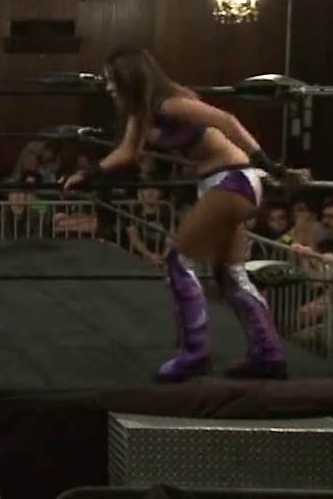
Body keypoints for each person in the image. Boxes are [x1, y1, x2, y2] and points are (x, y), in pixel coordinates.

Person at [62, 49, 304, 382]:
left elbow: (227, 121)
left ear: (130, 77)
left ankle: (195, 353)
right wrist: (88, 175)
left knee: (178, 262)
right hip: (220, 184)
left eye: (112, 79)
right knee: (230, 275)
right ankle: (268, 354)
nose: (108, 87)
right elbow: (128, 152)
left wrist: (268, 164)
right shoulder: (142, 115)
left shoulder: (168, 104)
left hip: (234, 179)